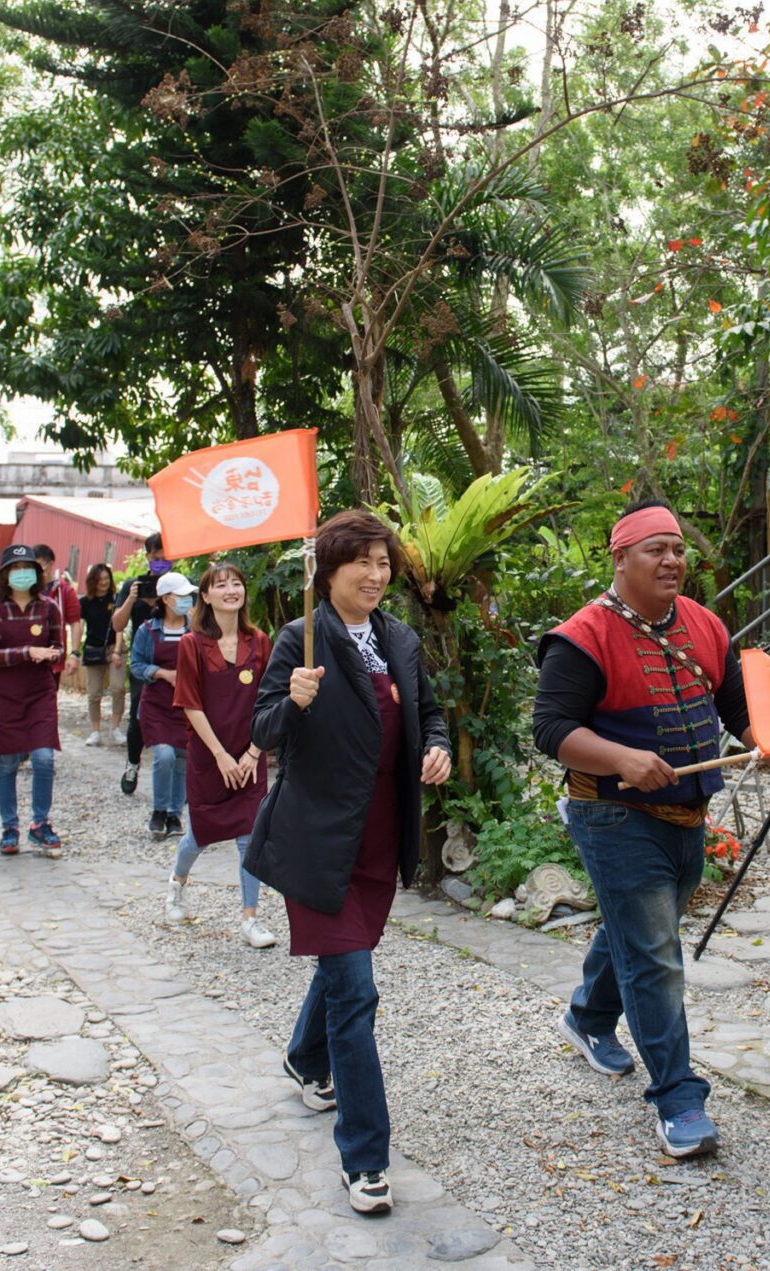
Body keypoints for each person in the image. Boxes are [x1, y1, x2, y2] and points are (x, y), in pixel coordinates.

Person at [531, 500, 770, 1160]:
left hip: (687, 814)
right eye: (655, 548)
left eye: (678, 548)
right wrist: (621, 758)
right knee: (656, 952)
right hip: (611, 813)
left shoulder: (706, 626)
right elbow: (550, 729)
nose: (672, 560)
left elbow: (742, 706)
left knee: (638, 929)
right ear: (620, 557)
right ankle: (678, 1098)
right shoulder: (582, 636)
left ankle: (589, 1016)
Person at [247, 510, 451, 1217]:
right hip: (318, 840)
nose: (374, 574)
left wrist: (438, 746)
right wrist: (292, 701)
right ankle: (364, 1157)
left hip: (378, 841)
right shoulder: (299, 638)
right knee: (356, 990)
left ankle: (306, 1058)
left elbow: (428, 712)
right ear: (328, 570)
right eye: (360, 561)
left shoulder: (398, 637)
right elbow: (261, 728)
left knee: (344, 971)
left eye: (383, 562)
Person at [166, 562, 276, 947]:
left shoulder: (260, 641)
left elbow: (270, 700)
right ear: (206, 596)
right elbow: (190, 704)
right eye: (221, 584)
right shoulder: (191, 645)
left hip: (250, 754)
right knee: (201, 833)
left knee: (250, 835)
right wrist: (221, 756)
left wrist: (253, 752)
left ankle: (250, 919)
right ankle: (177, 882)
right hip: (209, 757)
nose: (231, 589)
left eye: (237, 583)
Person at [0, 544, 67, 857]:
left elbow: (60, 647)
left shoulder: (49, 607)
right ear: (4, 574)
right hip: (1, 695)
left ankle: (40, 824)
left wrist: (53, 653)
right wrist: (26, 652)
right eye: (15, 569)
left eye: (27, 568)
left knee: (44, 758)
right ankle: (9, 827)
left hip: (39, 692)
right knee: (7, 762)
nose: (22, 574)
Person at [132, 570, 194, 839]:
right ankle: (158, 810)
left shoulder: (195, 629)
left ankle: (174, 815)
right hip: (157, 704)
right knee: (164, 755)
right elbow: (135, 665)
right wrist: (162, 673)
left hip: (187, 703)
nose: (187, 601)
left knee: (182, 759)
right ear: (166, 599)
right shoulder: (147, 630)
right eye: (182, 596)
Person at [119, 533, 167, 794]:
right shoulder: (131, 586)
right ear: (147, 556)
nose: (160, 560)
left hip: (175, 659)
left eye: (165, 556)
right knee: (138, 715)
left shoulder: (181, 586)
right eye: (155, 556)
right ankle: (132, 763)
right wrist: (132, 599)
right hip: (142, 662)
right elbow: (117, 623)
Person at [78, 563, 129, 745]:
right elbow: (80, 626)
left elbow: (119, 626)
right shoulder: (84, 602)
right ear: (93, 581)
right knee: (94, 693)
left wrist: (116, 650)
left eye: (107, 579)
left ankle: (115, 728)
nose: (104, 583)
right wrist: (75, 651)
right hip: (93, 649)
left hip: (114, 648)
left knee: (118, 688)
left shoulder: (116, 600)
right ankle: (95, 731)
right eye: (100, 580)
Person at [34, 544, 82, 683]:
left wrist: (74, 654)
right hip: (29, 655)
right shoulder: (27, 590)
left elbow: (75, 623)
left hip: (52, 656)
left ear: (49, 565)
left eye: (38, 565)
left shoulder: (64, 591)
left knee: (47, 699)